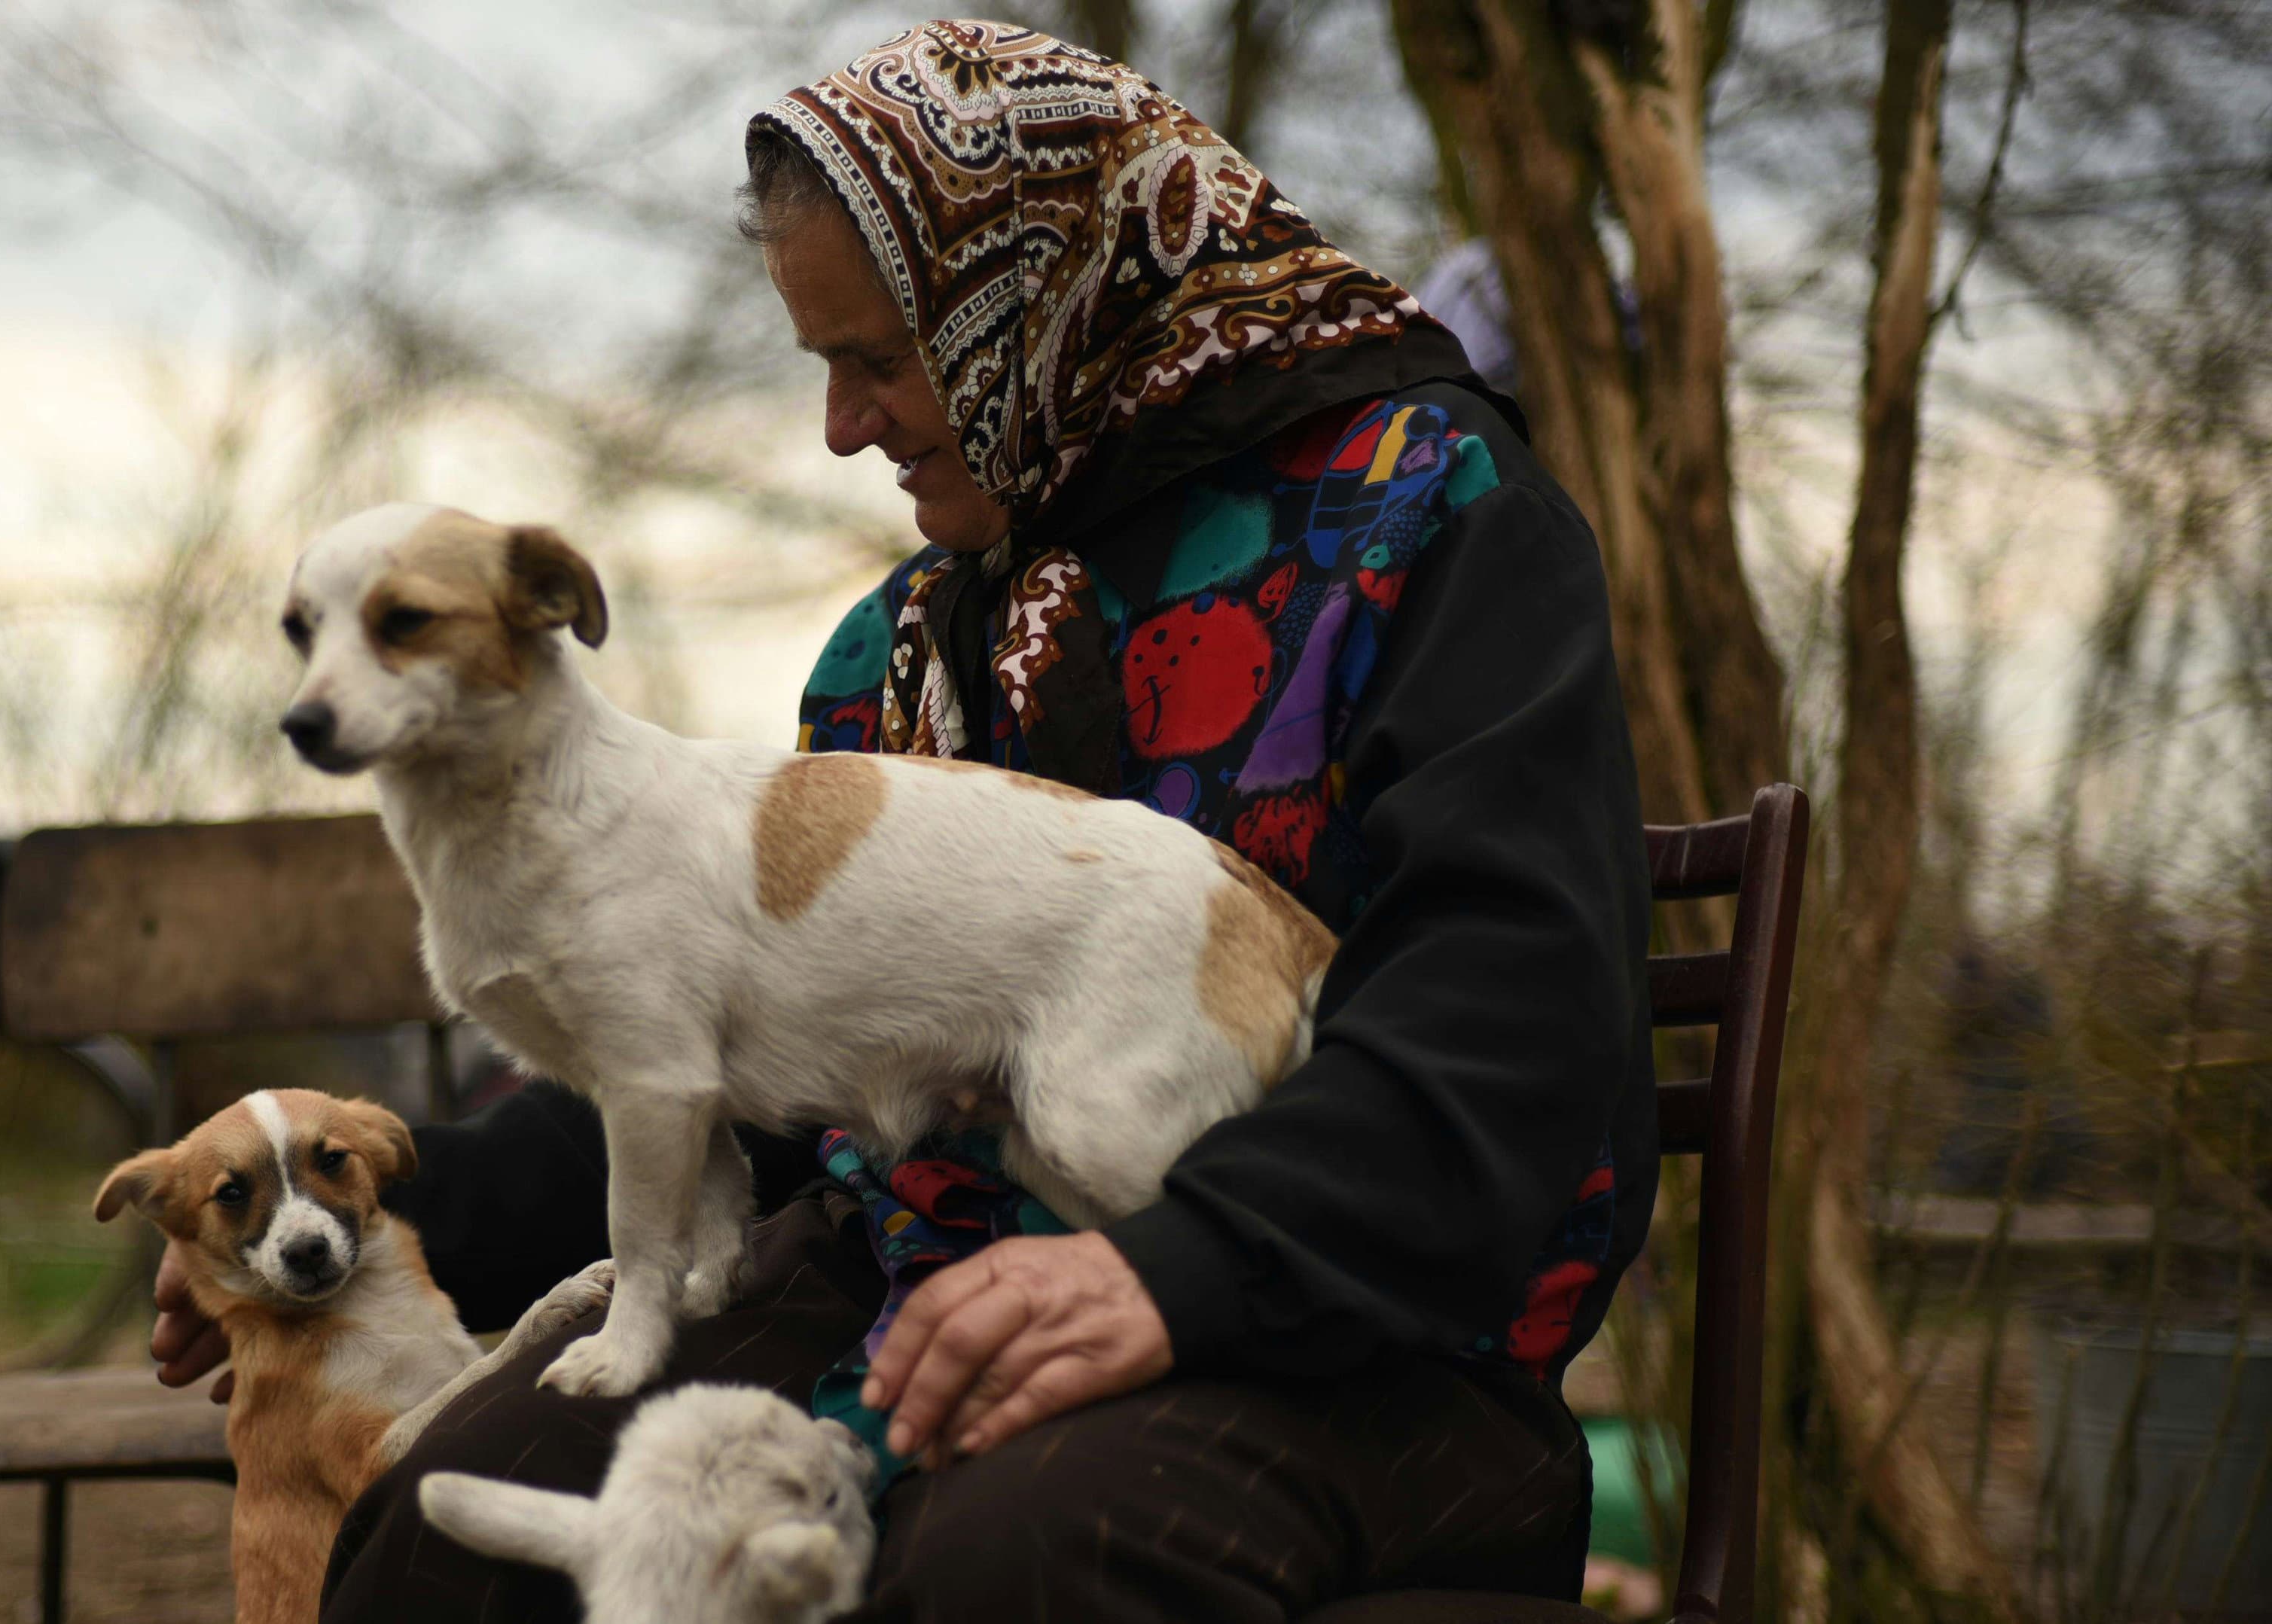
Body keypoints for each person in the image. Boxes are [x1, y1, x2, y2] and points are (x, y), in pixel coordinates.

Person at [152, 22, 1654, 1620]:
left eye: (879, 359)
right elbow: (728, 1038)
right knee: (457, 1524)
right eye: (821, 365)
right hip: (910, 1284)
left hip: (1362, 1334)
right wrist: (354, 1199)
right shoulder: (906, 637)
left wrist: (1180, 1265)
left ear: (1046, 294)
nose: (841, 426)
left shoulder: (1431, 514)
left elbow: (1515, 997)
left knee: (1010, 1552)